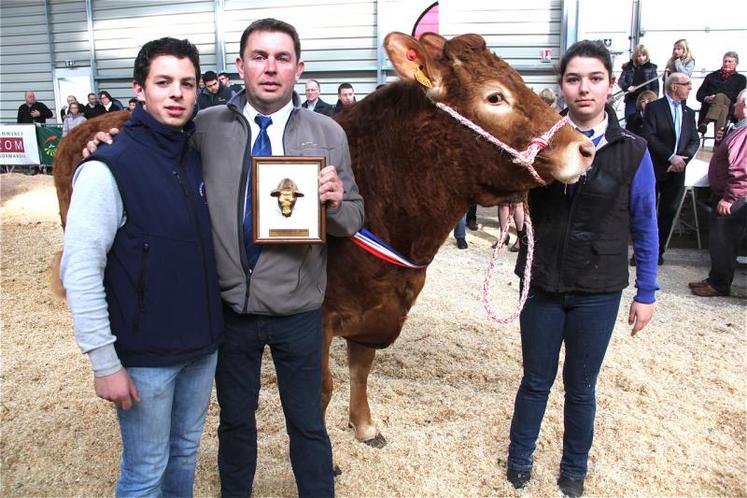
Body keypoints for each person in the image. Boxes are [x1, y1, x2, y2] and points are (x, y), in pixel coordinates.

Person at [85, 19, 364, 497]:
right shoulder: (205, 126)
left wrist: (337, 203)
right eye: (259, 57)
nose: (270, 68)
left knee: (308, 425)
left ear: (299, 68)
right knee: (236, 424)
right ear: (240, 67)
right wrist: (107, 141)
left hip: (298, 310)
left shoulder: (328, 133)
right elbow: (157, 146)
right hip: (229, 310)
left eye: (281, 58)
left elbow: (354, 218)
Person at [61, 37, 223, 497]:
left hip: (202, 346)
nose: (177, 93)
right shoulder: (107, 167)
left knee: (186, 452)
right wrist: (103, 362)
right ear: (139, 90)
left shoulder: (194, 157)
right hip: (145, 358)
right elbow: (80, 268)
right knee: (145, 470)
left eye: (187, 84)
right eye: (164, 82)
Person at [505, 40, 658, 498]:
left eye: (594, 78)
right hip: (541, 284)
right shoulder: (539, 145)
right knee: (535, 379)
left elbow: (646, 221)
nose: (583, 88)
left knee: (581, 387)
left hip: (598, 287)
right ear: (562, 86)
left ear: (611, 85)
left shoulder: (633, 151)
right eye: (573, 79)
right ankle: (519, 459)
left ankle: (573, 470)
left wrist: (646, 291)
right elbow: (505, 190)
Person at [689, 89, 747, 297]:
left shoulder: (746, 130)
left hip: (734, 198)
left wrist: (729, 198)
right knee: (720, 241)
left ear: (745, 106)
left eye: (738, 104)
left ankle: (719, 284)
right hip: (730, 194)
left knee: (724, 241)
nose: (734, 107)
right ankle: (716, 278)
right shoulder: (739, 128)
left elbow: (741, 168)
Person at [642, 72, 700, 265]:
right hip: (657, 167)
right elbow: (649, 136)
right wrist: (670, 157)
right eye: (687, 84)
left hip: (677, 171)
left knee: (668, 212)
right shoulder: (654, 108)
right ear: (674, 87)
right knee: (648, 211)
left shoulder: (689, 112)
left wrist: (682, 160)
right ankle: (643, 251)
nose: (690, 87)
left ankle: (658, 252)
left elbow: (694, 140)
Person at [696, 51, 746, 135]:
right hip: (712, 106)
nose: (727, 64)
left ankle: (705, 122)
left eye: (730, 61)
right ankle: (718, 141)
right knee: (723, 109)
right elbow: (699, 95)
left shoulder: (741, 79)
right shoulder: (711, 76)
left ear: (736, 63)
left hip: (730, 105)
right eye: (725, 61)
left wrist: (718, 96)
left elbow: (739, 97)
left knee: (720, 97)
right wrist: (707, 98)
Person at [618, 44, 659, 124]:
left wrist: (653, 99)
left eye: (643, 55)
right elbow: (621, 81)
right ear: (635, 56)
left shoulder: (651, 68)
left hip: (646, 99)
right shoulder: (629, 67)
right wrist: (627, 87)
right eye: (639, 56)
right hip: (632, 98)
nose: (641, 58)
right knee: (630, 120)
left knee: (648, 121)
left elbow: (655, 86)